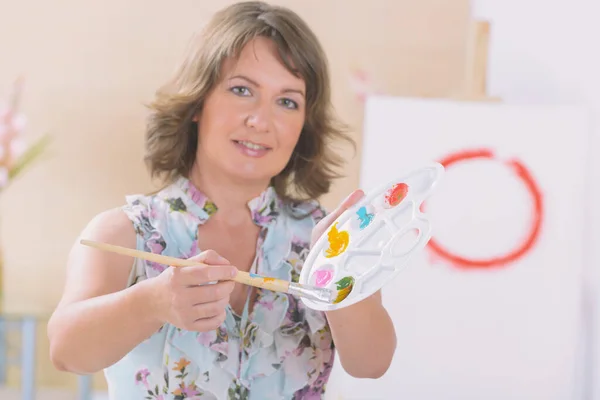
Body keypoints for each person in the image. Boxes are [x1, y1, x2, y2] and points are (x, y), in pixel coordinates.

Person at [47, 1, 396, 398]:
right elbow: (66, 350)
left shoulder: (329, 241)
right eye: (242, 90)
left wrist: (338, 274)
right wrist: (152, 303)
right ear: (198, 103)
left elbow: (371, 364)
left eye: (287, 101)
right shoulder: (125, 232)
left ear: (305, 123)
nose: (261, 121)